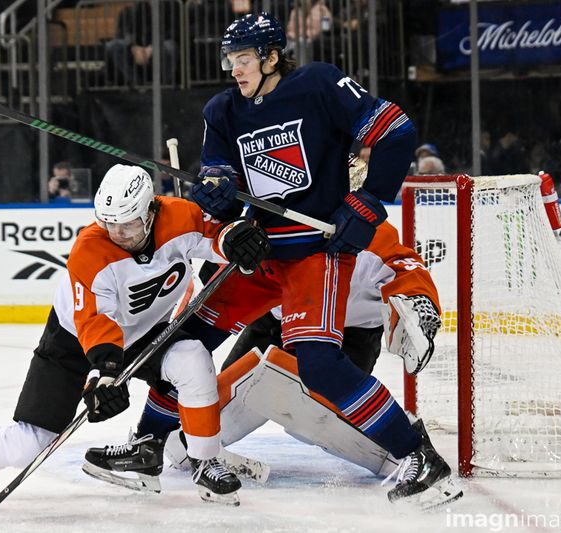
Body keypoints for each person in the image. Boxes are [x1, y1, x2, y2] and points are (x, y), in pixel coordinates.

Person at [181, 12, 456, 506]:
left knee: (321, 369)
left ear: (270, 56)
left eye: (242, 58)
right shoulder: (224, 110)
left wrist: (369, 202)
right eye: (229, 60)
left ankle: (416, 454)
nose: (234, 69)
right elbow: (219, 181)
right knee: (188, 338)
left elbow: (395, 130)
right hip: (265, 263)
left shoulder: (318, 84)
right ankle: (147, 443)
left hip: (321, 267)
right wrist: (218, 197)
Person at [0, 164, 271, 506]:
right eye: (109, 223)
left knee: (192, 358)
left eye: (127, 223)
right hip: (74, 344)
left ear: (150, 212)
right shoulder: (90, 252)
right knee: (29, 443)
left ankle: (204, 462)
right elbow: (96, 322)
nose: (117, 233)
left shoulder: (179, 216)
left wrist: (233, 240)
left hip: (143, 331)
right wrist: (105, 374)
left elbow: (213, 239)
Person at [88, 219, 447, 490]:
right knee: (186, 425)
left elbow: (406, 268)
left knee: (327, 416)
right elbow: (227, 262)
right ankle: (148, 441)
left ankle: (408, 444)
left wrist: (418, 303)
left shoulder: (363, 231)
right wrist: (218, 253)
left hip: (345, 339)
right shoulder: (274, 222)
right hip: (271, 327)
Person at [104, 2, 177, 87]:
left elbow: (172, 32)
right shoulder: (126, 12)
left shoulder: (169, 8)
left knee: (170, 46)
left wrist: (153, 47)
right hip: (135, 49)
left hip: (158, 47)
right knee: (112, 46)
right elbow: (121, 34)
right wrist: (133, 47)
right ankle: (138, 85)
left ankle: (164, 86)